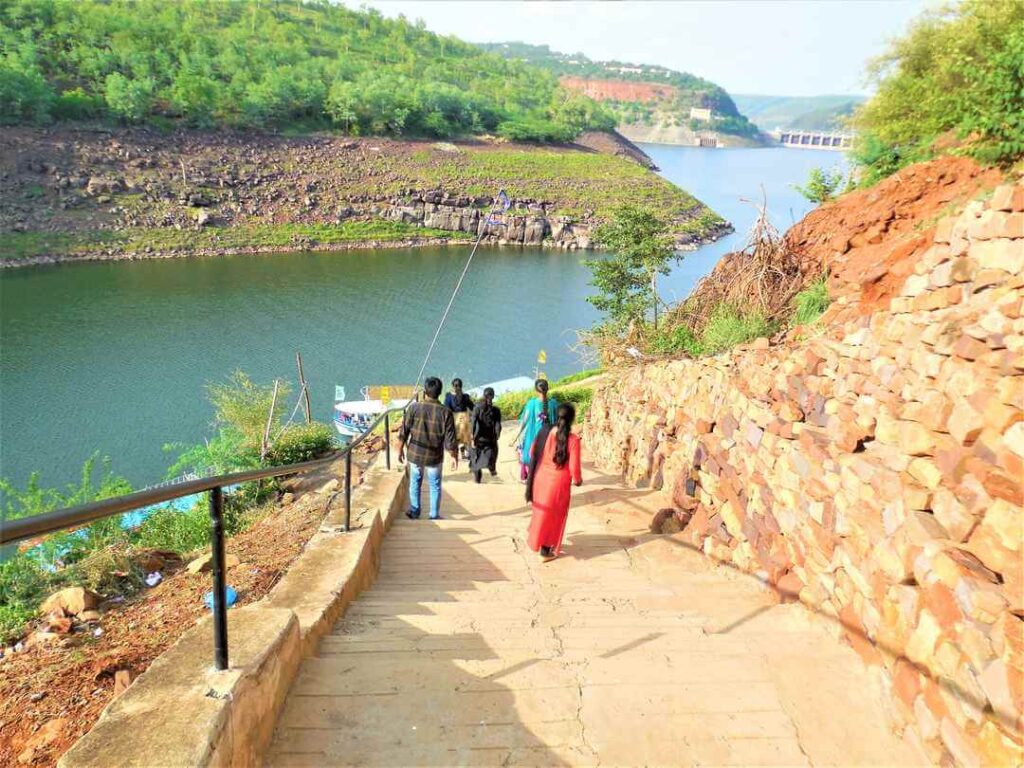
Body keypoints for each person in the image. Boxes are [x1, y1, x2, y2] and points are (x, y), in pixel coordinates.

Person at [526, 402, 582, 560]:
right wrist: (577, 480)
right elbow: (574, 468)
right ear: (571, 419)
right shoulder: (573, 440)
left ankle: (536, 539)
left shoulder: (545, 431)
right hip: (559, 482)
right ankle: (545, 550)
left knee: (541, 511)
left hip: (541, 478)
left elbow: (532, 452)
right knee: (554, 517)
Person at [397, 376, 457, 520]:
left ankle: (415, 510)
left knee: (415, 482)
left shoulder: (413, 408)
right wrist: (454, 456)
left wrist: (399, 449)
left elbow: (403, 431)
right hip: (434, 456)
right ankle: (434, 514)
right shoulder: (446, 412)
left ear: (425, 392)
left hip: (415, 453)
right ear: (440, 392)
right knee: (435, 485)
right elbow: (450, 439)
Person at [514, 378, 559, 482]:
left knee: (525, 453)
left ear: (536, 390)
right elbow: (558, 422)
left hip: (534, 438)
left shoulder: (531, 404)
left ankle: (530, 478)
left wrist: (516, 437)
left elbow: (524, 422)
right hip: (549, 438)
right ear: (547, 389)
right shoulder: (553, 404)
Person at [469, 387, 502, 483]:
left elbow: (473, 423)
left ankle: (477, 478)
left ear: (484, 395)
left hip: (478, 438)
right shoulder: (496, 410)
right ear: (493, 396)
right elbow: (498, 425)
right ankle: (492, 467)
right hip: (490, 438)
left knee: (475, 456)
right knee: (493, 451)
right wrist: (497, 435)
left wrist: (472, 435)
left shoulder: (477, 408)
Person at [443, 378, 474, 465]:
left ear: (453, 386)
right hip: (464, 419)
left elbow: (446, 408)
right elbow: (473, 407)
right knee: (466, 439)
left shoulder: (448, 396)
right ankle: (467, 455)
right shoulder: (465, 396)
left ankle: (457, 456)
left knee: (456, 439)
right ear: (461, 386)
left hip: (454, 419)